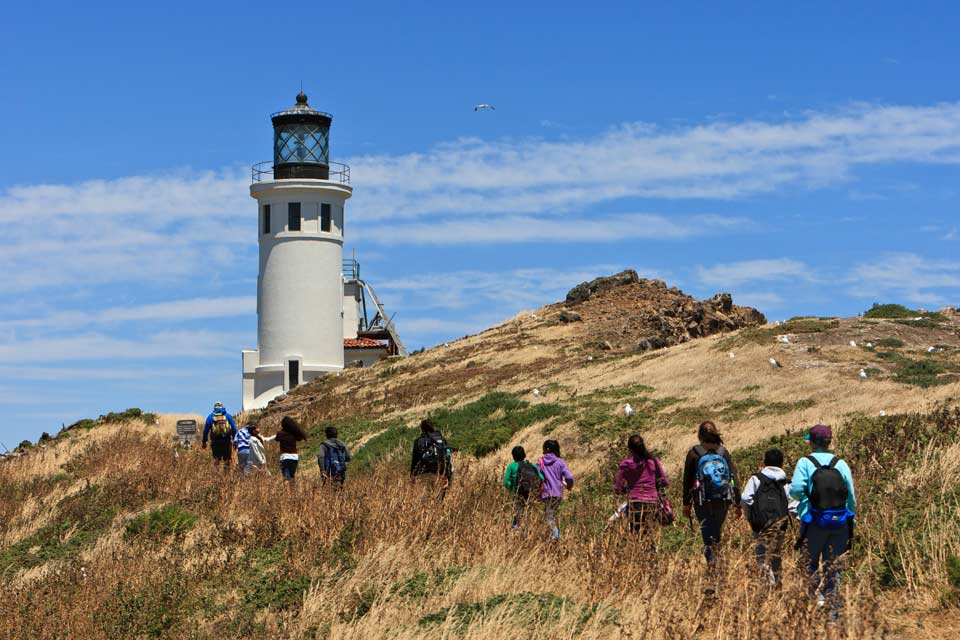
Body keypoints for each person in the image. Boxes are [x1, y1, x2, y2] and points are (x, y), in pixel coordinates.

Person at [790, 424, 856, 620]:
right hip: (839, 523)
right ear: (829, 442)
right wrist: (850, 517)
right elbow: (851, 496)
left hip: (813, 521)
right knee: (833, 568)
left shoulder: (805, 462)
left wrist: (806, 500)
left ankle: (815, 602)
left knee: (808, 564)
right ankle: (833, 616)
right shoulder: (841, 464)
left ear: (812, 442)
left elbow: (795, 490)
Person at [682, 421, 740, 573]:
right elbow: (733, 478)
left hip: (701, 500)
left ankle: (712, 565)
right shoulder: (723, 452)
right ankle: (717, 562)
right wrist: (737, 502)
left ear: (699, 435)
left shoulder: (694, 452)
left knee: (707, 534)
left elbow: (687, 480)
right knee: (717, 531)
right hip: (723, 498)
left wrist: (686, 504)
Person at [740, 447, 797, 587]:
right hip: (780, 525)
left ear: (764, 462)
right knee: (776, 553)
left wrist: (750, 517)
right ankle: (777, 583)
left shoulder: (756, 479)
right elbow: (793, 505)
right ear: (782, 463)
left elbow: (745, 498)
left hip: (760, 526)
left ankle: (769, 585)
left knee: (761, 556)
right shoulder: (786, 483)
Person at [614, 434, 668, 535]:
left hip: (635, 502)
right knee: (650, 532)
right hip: (652, 502)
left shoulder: (626, 464)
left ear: (629, 449)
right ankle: (651, 549)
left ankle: (640, 550)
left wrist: (627, 489)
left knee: (636, 533)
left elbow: (617, 489)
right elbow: (665, 482)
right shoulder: (653, 461)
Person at [537, 439, 574, 541]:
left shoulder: (540, 462)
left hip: (545, 494)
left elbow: (537, 477)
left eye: (544, 448)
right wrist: (569, 485)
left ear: (547, 449)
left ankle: (555, 536)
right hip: (557, 494)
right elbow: (569, 477)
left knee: (549, 516)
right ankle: (553, 537)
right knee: (551, 515)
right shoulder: (560, 462)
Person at [410, 419, 454, 497]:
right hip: (439, 474)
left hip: (423, 475)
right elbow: (447, 456)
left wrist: (412, 476)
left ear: (421, 429)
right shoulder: (440, 439)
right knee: (438, 501)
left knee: (424, 502)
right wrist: (447, 474)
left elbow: (415, 460)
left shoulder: (418, 441)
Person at [503, 445, 544, 529]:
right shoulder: (532, 466)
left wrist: (512, 489)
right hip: (531, 494)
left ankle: (516, 531)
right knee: (527, 515)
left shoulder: (512, 466)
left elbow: (506, 481)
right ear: (524, 455)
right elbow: (541, 478)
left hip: (518, 494)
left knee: (517, 514)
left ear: (513, 456)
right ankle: (525, 532)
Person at [272, 416, 307, 481]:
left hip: (285, 457)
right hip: (294, 457)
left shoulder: (281, 433)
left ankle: (288, 491)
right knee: (292, 476)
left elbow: (276, 439)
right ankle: (293, 490)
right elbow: (299, 439)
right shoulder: (294, 434)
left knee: (286, 477)